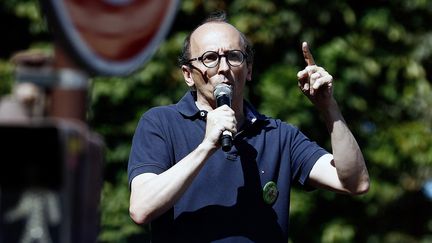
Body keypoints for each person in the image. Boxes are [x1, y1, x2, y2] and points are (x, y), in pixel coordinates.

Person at [128, 12, 369, 243]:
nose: (223, 68)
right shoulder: (160, 123)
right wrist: (206, 147)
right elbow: (141, 208)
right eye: (210, 58)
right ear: (188, 74)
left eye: (234, 56)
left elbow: (354, 182)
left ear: (249, 69)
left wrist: (329, 108)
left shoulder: (278, 135)